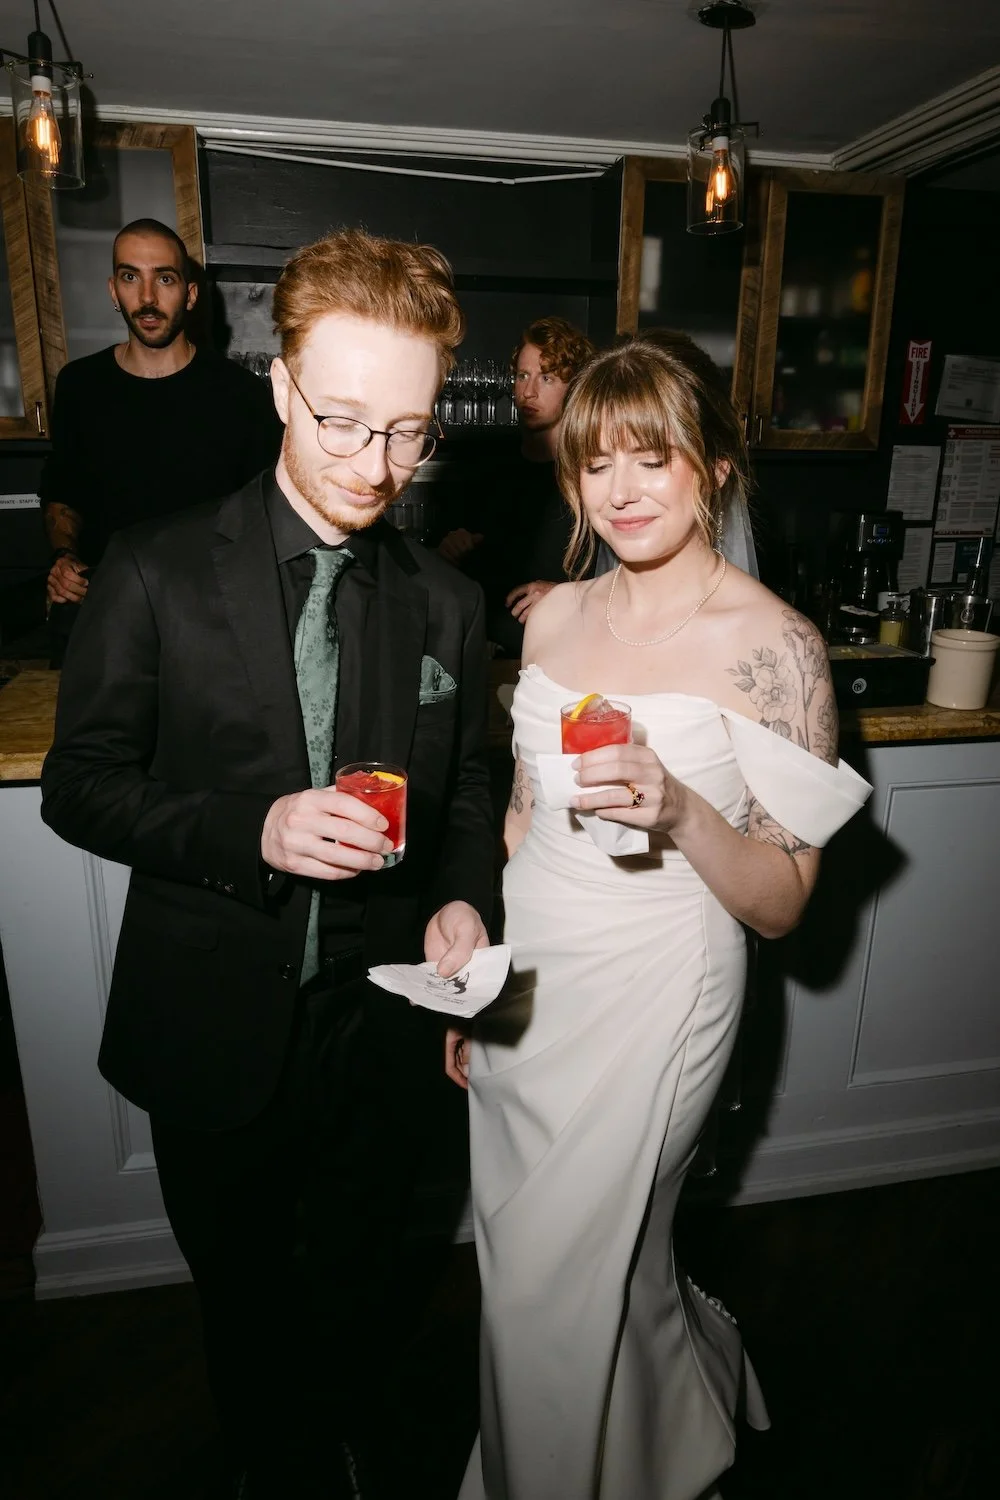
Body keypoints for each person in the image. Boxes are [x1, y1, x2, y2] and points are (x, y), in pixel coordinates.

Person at [41, 228, 495, 1498]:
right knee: (242, 1300)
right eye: (345, 422)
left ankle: (340, 1438)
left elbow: (470, 782)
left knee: (363, 1277)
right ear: (283, 387)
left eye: (409, 435)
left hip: (381, 1023)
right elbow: (78, 789)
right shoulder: (154, 566)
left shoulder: (447, 602)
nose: (377, 468)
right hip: (211, 1020)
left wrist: (464, 894)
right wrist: (252, 829)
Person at [448, 339, 872, 1499]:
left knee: (560, 1272)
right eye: (595, 464)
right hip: (534, 983)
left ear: (716, 466)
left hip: (660, 985)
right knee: (543, 1257)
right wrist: (480, 972)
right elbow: (524, 826)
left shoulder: (773, 647)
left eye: (653, 459)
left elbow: (783, 906)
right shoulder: (550, 620)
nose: (621, 491)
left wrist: (679, 805)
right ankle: (656, 1440)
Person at [40, 216, 282, 653]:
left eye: (164, 279)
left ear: (190, 295)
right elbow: (64, 494)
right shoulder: (80, 385)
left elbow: (263, 516)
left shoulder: (239, 394)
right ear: (114, 291)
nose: (147, 298)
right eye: (131, 277)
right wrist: (63, 558)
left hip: (206, 620)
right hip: (105, 614)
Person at [439, 316, 594, 655]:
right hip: (479, 645)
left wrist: (564, 594)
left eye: (547, 377)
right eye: (522, 376)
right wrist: (449, 547)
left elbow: (625, 579)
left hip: (558, 649)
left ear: (574, 386)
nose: (529, 391)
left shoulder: (591, 475)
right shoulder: (487, 464)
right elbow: (452, 552)